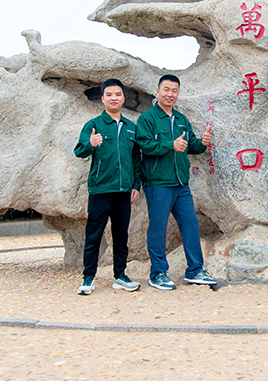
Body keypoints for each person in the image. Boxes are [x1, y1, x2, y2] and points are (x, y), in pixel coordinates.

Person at [135, 74, 216, 290]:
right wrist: (170, 145)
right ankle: (158, 273)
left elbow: (191, 146)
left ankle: (195, 270)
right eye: (166, 89)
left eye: (174, 91)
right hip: (158, 183)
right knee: (158, 228)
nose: (170, 94)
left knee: (190, 224)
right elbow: (144, 145)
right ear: (158, 91)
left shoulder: (181, 119)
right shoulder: (147, 119)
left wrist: (202, 143)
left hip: (181, 184)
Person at [73, 79, 143, 296]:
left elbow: (136, 158)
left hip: (123, 191)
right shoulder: (94, 125)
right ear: (103, 98)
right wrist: (91, 144)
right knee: (93, 234)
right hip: (100, 189)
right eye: (109, 95)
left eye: (118, 94)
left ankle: (120, 276)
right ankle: (88, 277)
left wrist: (136, 185)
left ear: (123, 98)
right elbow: (79, 151)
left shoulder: (130, 127)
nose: (114, 98)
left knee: (121, 236)